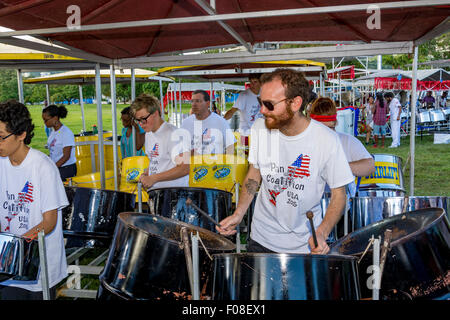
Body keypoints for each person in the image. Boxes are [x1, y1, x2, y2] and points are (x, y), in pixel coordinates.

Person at [216, 69, 354, 254]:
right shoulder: (259, 129)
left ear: (295, 103)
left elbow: (339, 194)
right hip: (261, 238)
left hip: (304, 244)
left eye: (269, 104)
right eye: (260, 102)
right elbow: (254, 174)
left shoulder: (326, 139)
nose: (262, 110)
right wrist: (239, 212)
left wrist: (321, 232)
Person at [0, 100, 68, 300]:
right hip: (8, 264)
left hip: (40, 266)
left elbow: (49, 222)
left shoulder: (43, 167)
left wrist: (16, 250)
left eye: (2, 137)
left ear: (21, 135)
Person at [308, 97, 375, 196]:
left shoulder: (347, 141)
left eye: (330, 128)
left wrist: (340, 166)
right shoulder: (303, 144)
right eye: (321, 129)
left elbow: (370, 166)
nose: (326, 133)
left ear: (336, 124)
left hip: (344, 205)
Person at [130, 94, 190, 190]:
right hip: (157, 193)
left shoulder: (174, 134)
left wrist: (154, 178)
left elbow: (185, 168)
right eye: (138, 120)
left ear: (156, 113)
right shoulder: (149, 133)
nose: (141, 124)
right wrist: (148, 173)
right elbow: (156, 160)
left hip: (175, 195)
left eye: (144, 119)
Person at [181, 90, 236, 156]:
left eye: (198, 101)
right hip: (192, 165)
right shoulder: (186, 123)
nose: (194, 104)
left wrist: (226, 163)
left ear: (207, 103)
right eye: (192, 101)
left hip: (215, 164)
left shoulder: (220, 122)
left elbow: (230, 146)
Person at [42, 104, 77, 181]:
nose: (44, 123)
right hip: (58, 167)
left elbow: (66, 156)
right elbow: (54, 151)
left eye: (46, 120)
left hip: (66, 169)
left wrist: (53, 167)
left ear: (55, 118)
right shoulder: (53, 132)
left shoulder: (66, 132)